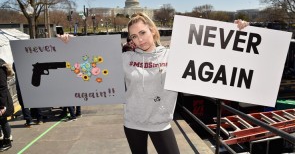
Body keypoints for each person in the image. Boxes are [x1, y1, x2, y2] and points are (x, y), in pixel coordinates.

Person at [59, 14, 249, 153]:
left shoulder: (173, 56)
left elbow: (214, 57)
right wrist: (72, 43)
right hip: (133, 123)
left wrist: (236, 32)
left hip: (161, 124)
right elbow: (91, 63)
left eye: (142, 33)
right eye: (133, 36)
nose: (139, 39)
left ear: (153, 30)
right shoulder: (125, 58)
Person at [13, 63, 43, 127]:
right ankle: (39, 119)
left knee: (24, 104)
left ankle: (29, 121)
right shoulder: (27, 61)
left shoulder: (15, 63)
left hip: (21, 87)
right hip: (30, 85)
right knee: (35, 101)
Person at [0, 59, 14, 151]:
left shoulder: (0, 68)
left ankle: (7, 141)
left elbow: (2, 87)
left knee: (3, 121)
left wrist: (2, 105)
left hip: (1, 100)